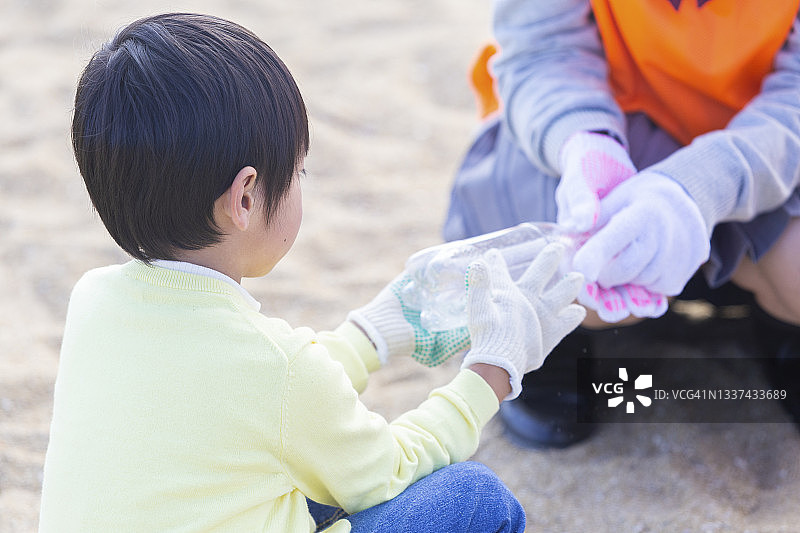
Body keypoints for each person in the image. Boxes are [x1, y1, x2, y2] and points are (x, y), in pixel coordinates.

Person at [38, 13, 587, 532]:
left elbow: (246, 405)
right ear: (246, 198)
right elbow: (387, 470)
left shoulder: (93, 300)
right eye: (298, 171)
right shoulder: (276, 367)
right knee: (474, 498)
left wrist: (368, 336)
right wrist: (492, 370)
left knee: (288, 464)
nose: (301, 182)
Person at [445, 0, 800, 448]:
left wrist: (700, 186)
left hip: (764, 144)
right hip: (605, 117)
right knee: (569, 256)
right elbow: (542, 50)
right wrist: (583, 143)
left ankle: (781, 326)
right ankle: (552, 342)